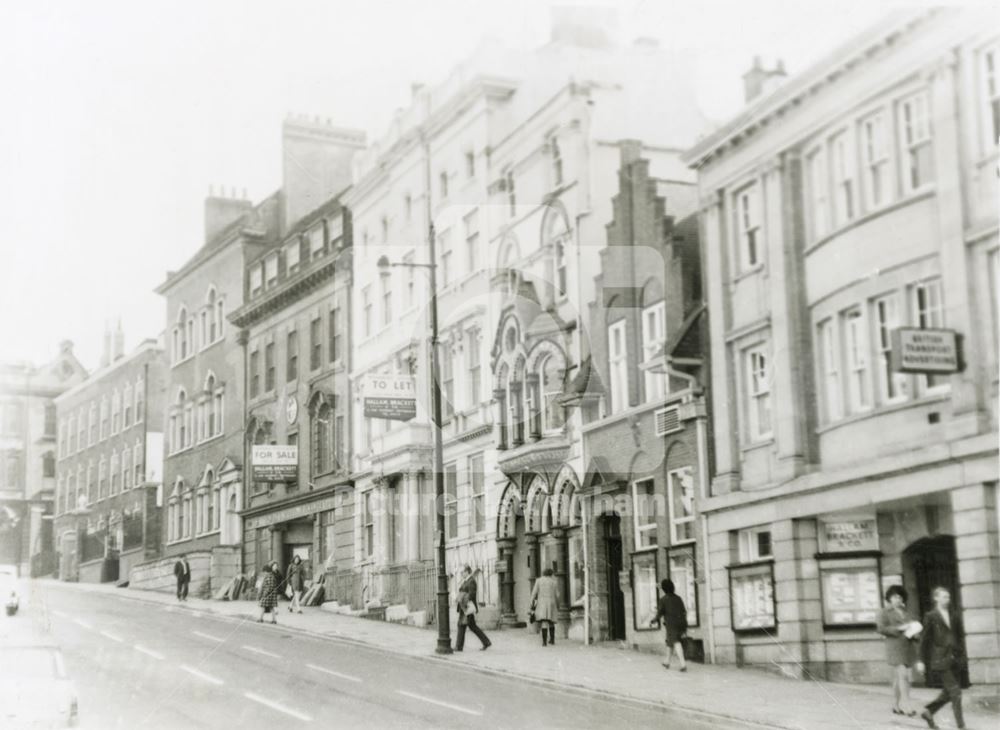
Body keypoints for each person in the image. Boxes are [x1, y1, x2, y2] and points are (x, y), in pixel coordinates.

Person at [917, 586, 966, 730]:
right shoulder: (931, 616)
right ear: (936, 598)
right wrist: (920, 660)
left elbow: (960, 637)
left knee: (948, 693)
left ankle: (928, 712)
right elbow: (924, 640)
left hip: (955, 658)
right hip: (940, 659)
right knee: (956, 692)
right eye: (944, 597)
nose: (947, 600)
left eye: (948, 597)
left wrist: (961, 655)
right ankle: (961, 726)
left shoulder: (954, 615)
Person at [876, 585, 919, 717]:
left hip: (907, 647)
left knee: (899, 678)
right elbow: (881, 629)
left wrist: (915, 631)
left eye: (900, 597)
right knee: (903, 676)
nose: (897, 599)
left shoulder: (906, 612)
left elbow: (912, 626)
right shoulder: (884, 612)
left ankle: (895, 705)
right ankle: (907, 706)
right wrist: (900, 628)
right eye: (894, 596)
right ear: (889, 598)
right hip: (894, 647)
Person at [454, 565, 491, 652]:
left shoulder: (471, 581)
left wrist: (462, 599)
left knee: (461, 625)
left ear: (467, 571)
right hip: (464, 607)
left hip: (467, 607)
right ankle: (486, 642)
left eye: (462, 572)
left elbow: (471, 595)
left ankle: (459, 647)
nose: (461, 574)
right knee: (471, 626)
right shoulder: (466, 581)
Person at [654, 579, 688, 671]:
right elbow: (684, 611)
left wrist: (654, 620)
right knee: (670, 642)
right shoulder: (678, 598)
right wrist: (685, 625)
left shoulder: (663, 599)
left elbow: (660, 612)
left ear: (664, 589)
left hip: (671, 624)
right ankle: (667, 662)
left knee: (676, 642)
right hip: (681, 623)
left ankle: (683, 664)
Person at [530, 567, 559, 647]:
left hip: (542, 603)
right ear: (551, 574)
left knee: (544, 622)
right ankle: (552, 640)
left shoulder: (538, 581)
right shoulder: (554, 582)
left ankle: (544, 642)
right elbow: (557, 595)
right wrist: (557, 604)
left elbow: (534, 593)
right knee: (551, 621)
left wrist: (531, 604)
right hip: (551, 603)